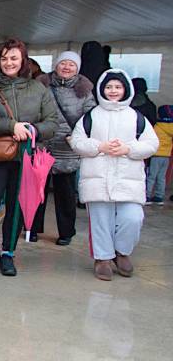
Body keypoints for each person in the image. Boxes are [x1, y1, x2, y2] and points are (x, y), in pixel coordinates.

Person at [0, 38, 59, 280]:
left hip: (26, 157)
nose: (9, 63)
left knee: (17, 207)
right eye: (4, 58)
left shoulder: (38, 89)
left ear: (23, 60)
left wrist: (30, 130)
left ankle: (8, 253)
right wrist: (10, 125)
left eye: (14, 58)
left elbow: (52, 123)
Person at [69, 69, 158, 281]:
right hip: (97, 178)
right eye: (109, 87)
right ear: (102, 89)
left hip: (129, 179)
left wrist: (128, 149)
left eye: (118, 87)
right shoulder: (90, 116)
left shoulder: (137, 117)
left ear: (125, 89)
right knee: (100, 220)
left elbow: (152, 144)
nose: (113, 91)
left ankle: (122, 251)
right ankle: (102, 258)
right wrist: (100, 146)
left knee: (133, 218)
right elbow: (77, 141)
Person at [32, 51, 96, 244]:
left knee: (66, 194)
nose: (67, 67)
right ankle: (32, 228)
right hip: (43, 144)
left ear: (77, 68)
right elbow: (31, 110)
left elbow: (90, 117)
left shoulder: (84, 89)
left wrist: (78, 136)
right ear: (56, 65)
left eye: (72, 64)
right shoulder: (40, 84)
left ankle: (66, 232)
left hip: (67, 147)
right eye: (63, 63)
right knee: (37, 191)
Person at [146, 105, 173, 205]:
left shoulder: (157, 127)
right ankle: (159, 197)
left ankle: (147, 196)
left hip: (156, 155)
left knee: (151, 176)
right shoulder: (172, 127)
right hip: (166, 156)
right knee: (162, 177)